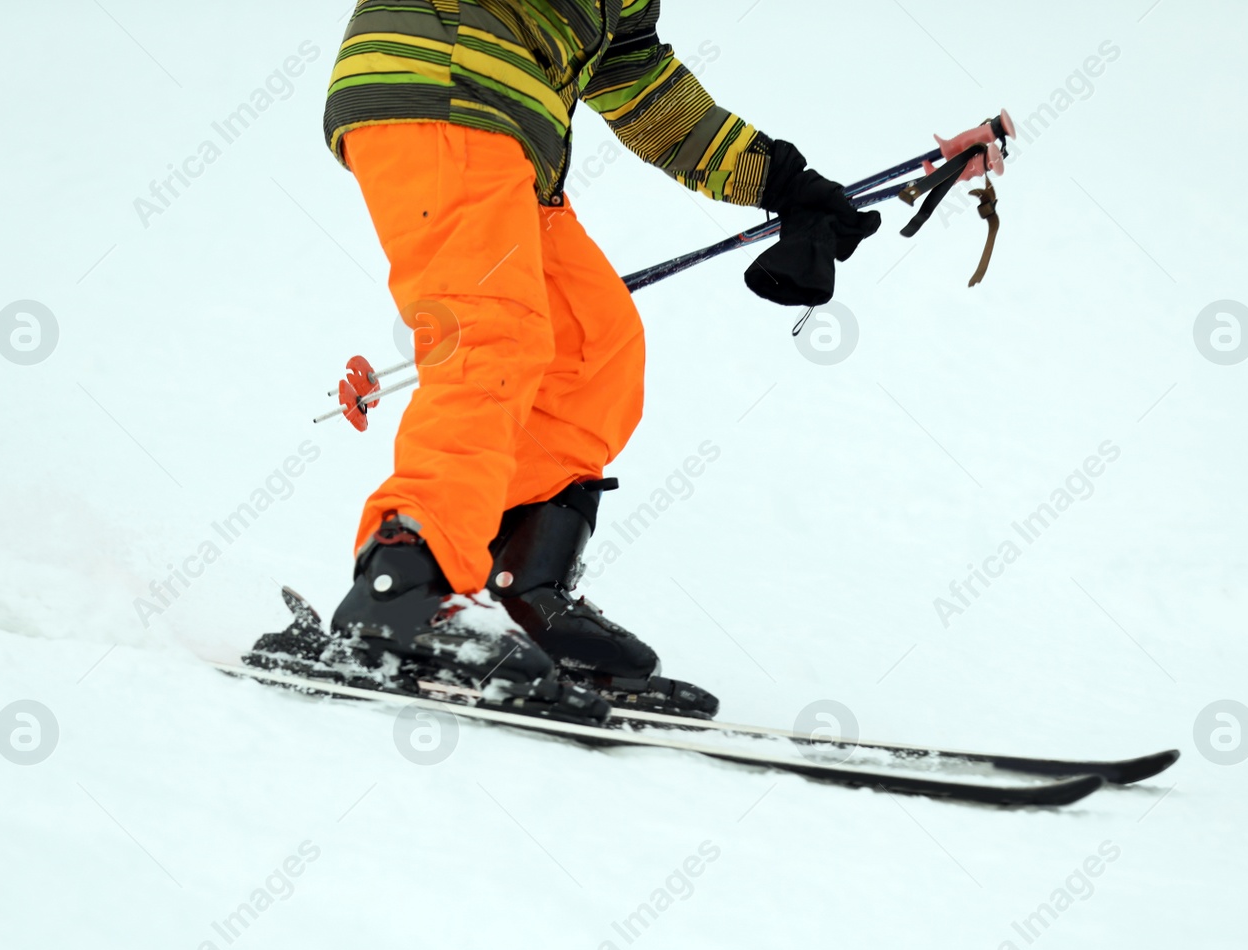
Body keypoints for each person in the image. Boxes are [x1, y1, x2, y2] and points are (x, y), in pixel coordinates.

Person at [320, 0, 881, 722]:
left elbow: (643, 88)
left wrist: (782, 184)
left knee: (592, 343)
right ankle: (400, 588)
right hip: (445, 80)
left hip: (507, 133)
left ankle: (524, 588)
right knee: (494, 333)